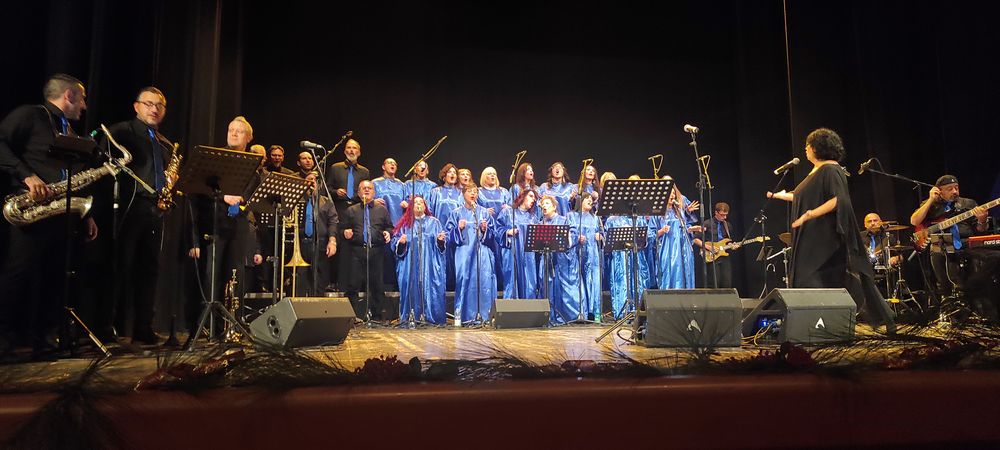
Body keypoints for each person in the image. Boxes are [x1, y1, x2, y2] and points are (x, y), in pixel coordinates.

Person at [0, 74, 97, 359]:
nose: (85, 106)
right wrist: (27, 176)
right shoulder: (30, 115)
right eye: (82, 99)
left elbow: (74, 176)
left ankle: (44, 338)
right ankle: (4, 339)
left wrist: (86, 214)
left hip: (61, 213)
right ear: (69, 95)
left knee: (54, 277)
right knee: (19, 274)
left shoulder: (70, 131)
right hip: (30, 210)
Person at [768, 128, 895, 333]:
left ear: (816, 147)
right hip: (812, 236)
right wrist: (782, 196)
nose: (805, 150)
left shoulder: (831, 169)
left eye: (807, 146)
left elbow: (838, 200)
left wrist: (809, 214)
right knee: (823, 280)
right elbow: (805, 196)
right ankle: (822, 326)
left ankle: (821, 326)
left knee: (814, 279)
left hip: (824, 238)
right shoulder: (817, 172)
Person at [96, 86, 174, 344]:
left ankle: (144, 327)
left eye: (159, 106)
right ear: (136, 106)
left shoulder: (164, 143)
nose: (154, 109)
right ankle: (106, 326)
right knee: (119, 266)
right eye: (148, 104)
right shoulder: (120, 132)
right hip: (128, 206)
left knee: (149, 268)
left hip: (155, 208)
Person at [187, 116, 263, 335]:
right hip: (216, 223)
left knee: (235, 274)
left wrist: (244, 199)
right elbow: (200, 188)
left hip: (238, 225)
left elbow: (253, 194)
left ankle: (230, 324)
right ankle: (208, 325)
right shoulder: (216, 159)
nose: (234, 134)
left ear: (249, 138)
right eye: (231, 130)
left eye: (239, 131)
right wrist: (224, 197)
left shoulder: (253, 166)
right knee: (212, 274)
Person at [909, 175, 996, 320]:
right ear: (939, 191)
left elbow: (981, 230)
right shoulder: (932, 205)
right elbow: (914, 221)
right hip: (941, 244)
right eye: (950, 189)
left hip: (966, 243)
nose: (955, 191)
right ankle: (948, 304)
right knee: (938, 252)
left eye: (956, 188)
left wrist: (982, 220)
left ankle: (978, 307)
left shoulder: (968, 203)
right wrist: (930, 200)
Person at [391, 196, 447, 325]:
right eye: (415, 202)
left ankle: (431, 318)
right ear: (411, 207)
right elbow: (395, 245)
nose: (419, 204)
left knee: (431, 289)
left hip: (430, 265)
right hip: (410, 265)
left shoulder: (434, 222)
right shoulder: (405, 224)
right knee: (411, 288)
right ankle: (412, 317)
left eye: (421, 202)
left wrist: (440, 241)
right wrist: (401, 243)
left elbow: (441, 247)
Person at [341, 180, 393, 320]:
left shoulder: (382, 210)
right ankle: (352, 317)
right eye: (363, 188)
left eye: (369, 188)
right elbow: (342, 228)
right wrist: (345, 232)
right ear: (358, 193)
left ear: (374, 192)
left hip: (376, 251)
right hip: (357, 251)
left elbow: (389, 227)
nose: (366, 190)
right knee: (353, 285)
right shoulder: (351, 210)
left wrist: (388, 232)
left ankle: (376, 316)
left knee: (377, 285)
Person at [446, 184, 496, 325]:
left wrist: (485, 230)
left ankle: (484, 316)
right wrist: (458, 229)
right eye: (469, 191)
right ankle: (464, 317)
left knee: (483, 281)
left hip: (482, 252)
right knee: (465, 281)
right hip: (464, 253)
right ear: (463, 194)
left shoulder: (484, 213)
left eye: (475, 192)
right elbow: (448, 235)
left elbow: (494, 235)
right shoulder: (456, 213)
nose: (473, 194)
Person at [325, 138, 369, 289]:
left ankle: (356, 282)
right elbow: (327, 188)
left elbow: (366, 191)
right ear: (344, 151)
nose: (351, 150)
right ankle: (335, 282)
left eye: (354, 148)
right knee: (338, 245)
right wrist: (336, 192)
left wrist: (358, 196)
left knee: (354, 246)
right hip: (339, 210)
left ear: (359, 152)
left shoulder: (364, 171)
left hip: (357, 211)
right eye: (349, 148)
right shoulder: (335, 168)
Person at [537, 195, 579, 324]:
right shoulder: (541, 223)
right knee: (547, 285)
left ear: (554, 207)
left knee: (564, 288)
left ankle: (568, 316)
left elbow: (574, 235)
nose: (544, 206)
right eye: (543, 204)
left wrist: (566, 238)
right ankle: (549, 316)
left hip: (562, 259)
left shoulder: (564, 220)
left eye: (547, 203)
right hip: (547, 259)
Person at [295, 171, 338, 296]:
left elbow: (333, 222)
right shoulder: (297, 200)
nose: (311, 183)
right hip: (301, 244)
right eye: (308, 180)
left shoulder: (326, 202)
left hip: (320, 243)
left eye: (313, 180)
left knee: (319, 279)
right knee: (300, 279)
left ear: (319, 185)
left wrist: (332, 241)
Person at [496, 188, 540, 299]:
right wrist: (507, 232)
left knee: (529, 280)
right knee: (512, 279)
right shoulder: (508, 212)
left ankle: (529, 307)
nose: (533, 199)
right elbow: (497, 229)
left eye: (535, 198)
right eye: (531, 196)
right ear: (522, 197)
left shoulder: (533, 218)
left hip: (528, 256)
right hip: (512, 251)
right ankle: (511, 307)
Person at [567, 194, 603, 321]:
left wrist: (600, 236)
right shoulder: (572, 216)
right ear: (580, 200)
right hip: (577, 253)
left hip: (592, 255)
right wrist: (576, 238)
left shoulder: (595, 218)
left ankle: (595, 313)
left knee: (593, 281)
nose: (590, 200)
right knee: (579, 282)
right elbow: (568, 234)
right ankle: (582, 312)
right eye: (587, 198)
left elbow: (602, 234)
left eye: (591, 199)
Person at [657, 184, 699, 289]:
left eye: (673, 194)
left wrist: (691, 229)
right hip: (667, 250)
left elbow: (686, 226)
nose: (672, 196)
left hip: (682, 248)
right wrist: (662, 231)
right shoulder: (658, 213)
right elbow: (651, 234)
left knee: (684, 274)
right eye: (669, 194)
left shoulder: (679, 212)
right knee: (669, 275)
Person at [428, 163, 463, 289]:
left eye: (454, 172)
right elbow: (429, 211)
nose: (452, 174)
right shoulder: (435, 192)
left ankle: (455, 285)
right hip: (439, 230)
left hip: (455, 231)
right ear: (444, 176)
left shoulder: (461, 193)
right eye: (449, 172)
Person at [372, 158, 406, 289]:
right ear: (383, 166)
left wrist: (406, 204)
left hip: (398, 225)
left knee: (397, 255)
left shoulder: (402, 185)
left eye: (394, 164)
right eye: (389, 163)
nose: (392, 165)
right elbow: (366, 199)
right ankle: (383, 287)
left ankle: (397, 286)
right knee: (383, 257)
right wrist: (373, 201)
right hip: (382, 225)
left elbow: (408, 202)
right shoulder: (375, 183)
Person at [478, 167, 512, 290]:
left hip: (502, 228)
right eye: (489, 174)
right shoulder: (479, 192)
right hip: (488, 228)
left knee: (503, 256)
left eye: (494, 174)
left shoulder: (504, 192)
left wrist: (508, 207)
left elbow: (512, 207)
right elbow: (474, 208)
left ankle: (504, 284)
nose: (492, 176)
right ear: (484, 176)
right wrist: (484, 211)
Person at [694, 202, 735, 289]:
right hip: (711, 256)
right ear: (716, 212)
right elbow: (695, 239)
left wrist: (731, 245)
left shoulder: (727, 225)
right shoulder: (707, 223)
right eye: (722, 215)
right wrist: (708, 247)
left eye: (726, 215)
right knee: (714, 283)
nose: (724, 217)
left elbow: (728, 241)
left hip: (724, 256)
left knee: (727, 283)